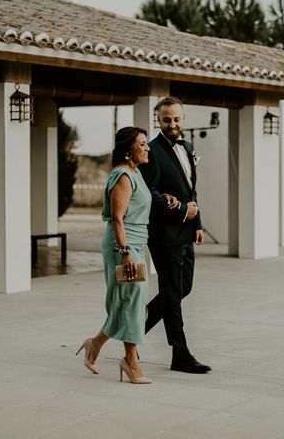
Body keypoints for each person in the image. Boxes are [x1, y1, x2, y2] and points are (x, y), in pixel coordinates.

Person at [139, 96, 212, 374]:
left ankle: (134, 326)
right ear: (158, 120)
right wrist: (182, 211)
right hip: (164, 233)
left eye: (176, 119)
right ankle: (180, 354)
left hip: (186, 229)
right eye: (166, 119)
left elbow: (191, 190)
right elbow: (151, 193)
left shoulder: (188, 146)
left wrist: (197, 224)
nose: (172, 124)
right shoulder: (152, 151)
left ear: (184, 119)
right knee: (172, 292)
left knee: (182, 288)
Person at [77, 126, 154, 384]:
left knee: (128, 303)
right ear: (127, 149)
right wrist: (125, 254)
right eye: (142, 144)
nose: (147, 148)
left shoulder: (136, 173)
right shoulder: (122, 176)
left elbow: (139, 205)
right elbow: (118, 219)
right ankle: (131, 362)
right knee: (131, 303)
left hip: (135, 245)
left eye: (146, 144)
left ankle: (94, 345)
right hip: (123, 246)